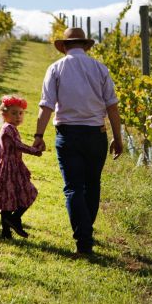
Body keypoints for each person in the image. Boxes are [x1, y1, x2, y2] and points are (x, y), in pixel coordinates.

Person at [33, 27, 123, 255]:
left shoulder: (55, 69)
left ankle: (83, 240)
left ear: (64, 46)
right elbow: (112, 106)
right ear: (84, 46)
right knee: (92, 185)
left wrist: (39, 136)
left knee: (73, 187)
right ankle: (86, 230)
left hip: (68, 135)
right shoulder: (100, 69)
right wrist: (117, 137)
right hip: (97, 135)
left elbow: (46, 106)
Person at [0, 95, 42, 239]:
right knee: (27, 193)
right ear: (4, 114)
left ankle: (9, 227)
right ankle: (13, 221)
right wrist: (35, 151)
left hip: (12, 167)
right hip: (8, 169)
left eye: (20, 113)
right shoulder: (8, 129)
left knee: (9, 199)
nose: (18, 116)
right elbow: (18, 145)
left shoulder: (11, 128)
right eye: (14, 113)